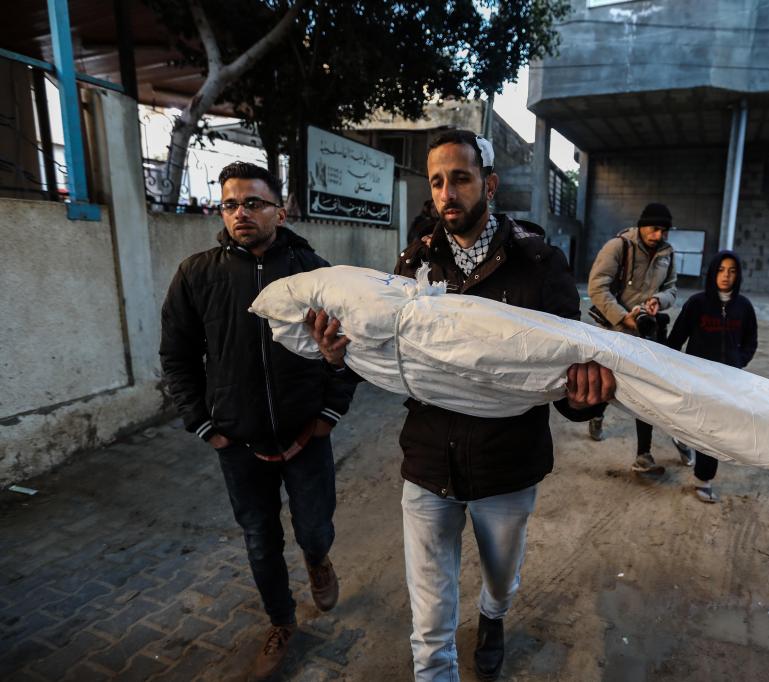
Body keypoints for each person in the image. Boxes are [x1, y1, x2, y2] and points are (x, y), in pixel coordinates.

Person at [311, 130, 613, 681]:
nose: (447, 192)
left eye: (461, 178)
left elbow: (565, 376)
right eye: (437, 181)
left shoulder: (540, 264)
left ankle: (493, 618)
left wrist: (584, 398)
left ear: (489, 185)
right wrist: (338, 359)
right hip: (427, 463)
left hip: (507, 465)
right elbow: (383, 351)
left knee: (500, 579)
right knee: (428, 629)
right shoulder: (412, 268)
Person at [160, 161, 358, 680]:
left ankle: (318, 559)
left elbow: (347, 348)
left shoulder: (315, 273)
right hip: (239, 443)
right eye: (230, 204)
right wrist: (204, 424)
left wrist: (330, 413)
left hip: (306, 435)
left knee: (314, 526)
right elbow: (176, 356)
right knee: (258, 539)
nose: (240, 213)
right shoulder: (196, 274)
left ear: (280, 209)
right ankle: (281, 622)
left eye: (253, 202)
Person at [586, 202, 677, 475]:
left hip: (646, 330)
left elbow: (672, 289)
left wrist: (657, 302)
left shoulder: (667, 253)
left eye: (664, 230)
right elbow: (597, 287)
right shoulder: (619, 246)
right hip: (615, 329)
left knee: (644, 389)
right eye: (654, 228)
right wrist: (621, 316)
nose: (659, 235)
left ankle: (644, 453)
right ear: (641, 225)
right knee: (608, 381)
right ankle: (597, 414)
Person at [666, 250, 758, 503]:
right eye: (721, 270)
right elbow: (676, 339)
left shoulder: (744, 307)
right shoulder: (697, 304)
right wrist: (675, 370)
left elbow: (751, 341)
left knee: (714, 430)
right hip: (696, 378)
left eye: (732, 271)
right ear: (713, 272)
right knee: (691, 423)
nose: (726, 276)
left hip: (726, 381)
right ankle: (681, 438)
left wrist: (738, 362)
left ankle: (703, 480)